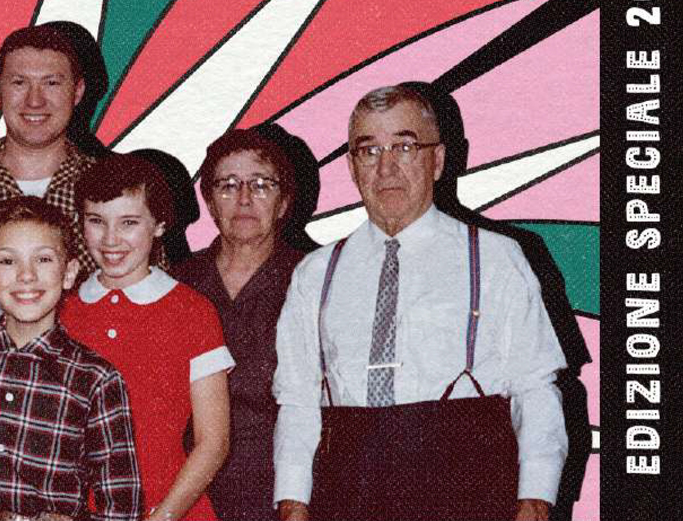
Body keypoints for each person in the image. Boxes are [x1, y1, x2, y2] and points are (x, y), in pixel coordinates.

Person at [272, 85, 568, 521]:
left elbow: (535, 386)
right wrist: (293, 502)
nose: (386, 167)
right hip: (349, 489)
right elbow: (297, 400)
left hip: (468, 487)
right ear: (352, 167)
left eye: (405, 147)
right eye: (369, 151)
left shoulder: (494, 256)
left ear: (438, 160)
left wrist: (536, 497)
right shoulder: (315, 273)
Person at [0, 196, 143, 521]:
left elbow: (121, 505)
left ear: (69, 273)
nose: (26, 275)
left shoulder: (96, 379)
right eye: (8, 261)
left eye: (43, 259)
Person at [62, 155, 233, 521]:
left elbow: (214, 442)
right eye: (96, 221)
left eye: (129, 223)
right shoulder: (64, 310)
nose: (110, 239)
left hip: (170, 507)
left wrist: (162, 516)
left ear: (159, 225)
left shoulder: (192, 311)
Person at [172, 129, 305, 521]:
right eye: (228, 185)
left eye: (261, 184)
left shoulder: (311, 280)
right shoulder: (177, 283)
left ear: (284, 202)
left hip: (283, 491)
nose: (244, 199)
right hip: (186, 491)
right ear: (210, 202)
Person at [0, 24, 97, 272]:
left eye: (51, 83)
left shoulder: (112, 192)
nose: (34, 101)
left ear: (77, 92)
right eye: (19, 83)